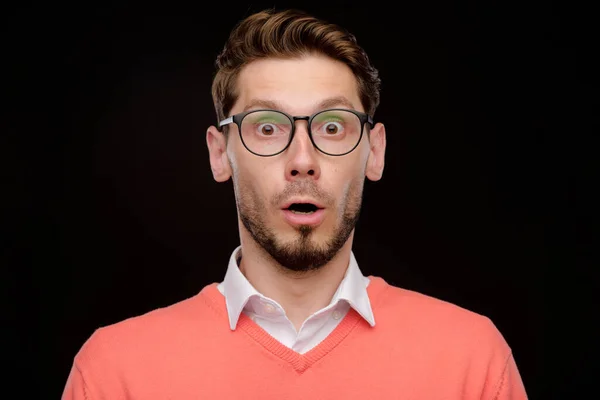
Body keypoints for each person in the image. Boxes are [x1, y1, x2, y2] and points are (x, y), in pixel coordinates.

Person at [62, 8, 528, 399]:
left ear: (375, 151)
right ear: (220, 153)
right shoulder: (114, 372)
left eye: (331, 126)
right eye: (268, 127)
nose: (302, 161)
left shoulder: (473, 361)